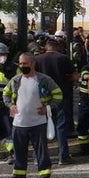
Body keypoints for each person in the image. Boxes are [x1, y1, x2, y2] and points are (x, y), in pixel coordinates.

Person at [3, 53, 62, 178]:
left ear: (33, 63)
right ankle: (19, 174)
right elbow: (5, 93)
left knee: (41, 150)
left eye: (25, 63)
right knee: (19, 150)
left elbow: (58, 95)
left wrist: (48, 107)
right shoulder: (16, 80)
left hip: (38, 122)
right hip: (19, 123)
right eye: (20, 63)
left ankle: (45, 174)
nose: (22, 66)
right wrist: (10, 105)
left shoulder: (44, 80)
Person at [34, 36, 76, 164]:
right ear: (57, 47)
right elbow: (74, 76)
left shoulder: (37, 59)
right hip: (61, 96)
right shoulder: (63, 58)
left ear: (46, 47)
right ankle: (63, 156)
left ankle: (39, 157)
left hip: (43, 97)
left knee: (41, 126)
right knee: (61, 126)